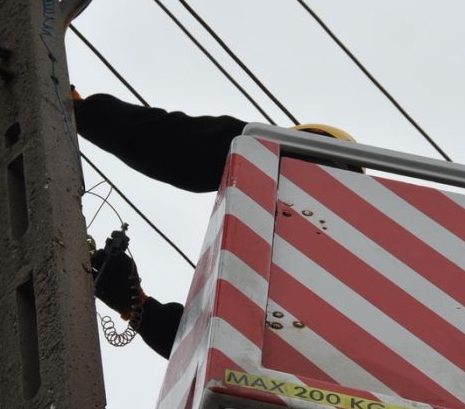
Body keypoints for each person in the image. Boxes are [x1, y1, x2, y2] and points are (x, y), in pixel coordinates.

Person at [74, 92, 359, 358]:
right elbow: (209, 347)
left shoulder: (281, 160)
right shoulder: (356, 283)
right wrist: (138, 307)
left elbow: (174, 143)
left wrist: (80, 110)